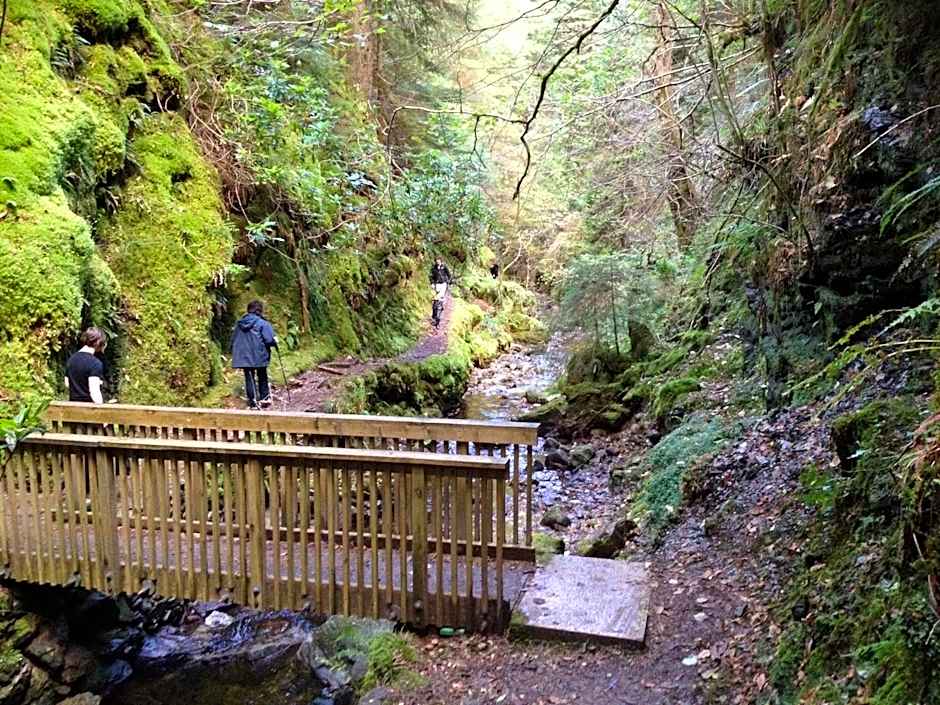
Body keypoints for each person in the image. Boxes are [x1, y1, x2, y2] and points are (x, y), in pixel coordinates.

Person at [231, 300, 278, 410]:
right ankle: (264, 398)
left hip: (244, 355)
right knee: (262, 374)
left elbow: (233, 339)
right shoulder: (262, 323)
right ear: (259, 310)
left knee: (249, 377)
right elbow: (269, 340)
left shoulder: (239, 324)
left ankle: (252, 402)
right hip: (259, 354)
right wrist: (275, 341)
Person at [65, 327, 108, 404]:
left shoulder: (71, 359)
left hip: (72, 407)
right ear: (98, 343)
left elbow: (67, 383)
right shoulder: (95, 363)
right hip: (87, 410)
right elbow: (94, 393)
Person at [429, 257, 452, 328]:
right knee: (436, 300)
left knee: (439, 299)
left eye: (438, 260)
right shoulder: (434, 268)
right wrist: (432, 283)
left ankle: (437, 319)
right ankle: (434, 315)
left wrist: (448, 281)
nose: (437, 262)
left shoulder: (444, 267)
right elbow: (431, 277)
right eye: (436, 261)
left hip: (443, 284)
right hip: (437, 285)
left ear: (441, 261)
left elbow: (449, 275)